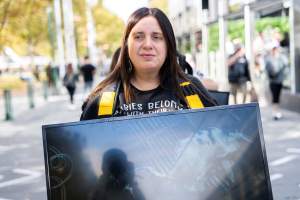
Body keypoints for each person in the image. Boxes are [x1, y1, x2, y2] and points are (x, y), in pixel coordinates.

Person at [80, 7, 217, 121]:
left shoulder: (191, 90)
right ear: (126, 45)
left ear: (168, 45)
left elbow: (222, 138)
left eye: (156, 37)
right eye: (138, 37)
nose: (147, 45)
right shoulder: (104, 99)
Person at [265, 43, 288, 120]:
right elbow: (272, 71)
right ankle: (275, 112)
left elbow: (285, 63)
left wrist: (280, 56)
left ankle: (276, 111)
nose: (275, 51)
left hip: (279, 81)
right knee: (275, 97)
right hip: (273, 82)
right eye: (274, 49)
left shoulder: (281, 58)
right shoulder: (269, 59)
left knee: (277, 97)